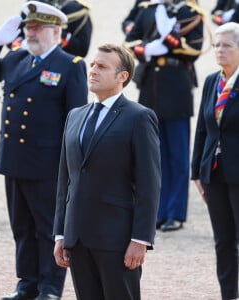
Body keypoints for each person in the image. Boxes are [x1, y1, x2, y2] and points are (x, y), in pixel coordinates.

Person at [0, 1, 88, 300]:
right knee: (21, 227)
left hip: (47, 163)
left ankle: (50, 288)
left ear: (55, 31)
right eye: (28, 28)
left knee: (46, 229)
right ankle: (26, 283)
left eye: (37, 28)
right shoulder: (17, 59)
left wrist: (71, 166)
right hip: (14, 159)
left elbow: (74, 119)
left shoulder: (70, 65)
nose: (31, 33)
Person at [53, 43, 161, 300]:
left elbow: (149, 183)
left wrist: (140, 239)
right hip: (77, 238)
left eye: (102, 66)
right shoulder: (75, 116)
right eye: (92, 65)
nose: (93, 70)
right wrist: (60, 233)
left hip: (117, 240)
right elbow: (64, 180)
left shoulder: (139, 117)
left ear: (122, 76)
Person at [124, 0, 204, 231]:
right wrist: (146, 49)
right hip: (151, 86)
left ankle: (175, 212)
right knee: (151, 155)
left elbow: (194, 48)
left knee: (177, 155)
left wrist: (169, 37)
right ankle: (156, 211)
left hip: (176, 85)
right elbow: (130, 40)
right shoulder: (148, 10)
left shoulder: (190, 12)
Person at [191, 22, 239, 300]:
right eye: (217, 45)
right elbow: (202, 129)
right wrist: (197, 170)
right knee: (223, 241)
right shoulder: (212, 81)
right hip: (215, 173)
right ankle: (228, 295)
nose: (219, 50)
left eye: (227, 45)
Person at [12, 0, 92, 57]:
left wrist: (55, 32)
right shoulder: (33, 6)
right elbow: (14, 38)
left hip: (61, 66)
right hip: (27, 61)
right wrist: (24, 45)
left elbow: (82, 49)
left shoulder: (77, 10)